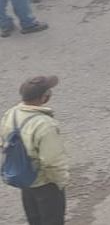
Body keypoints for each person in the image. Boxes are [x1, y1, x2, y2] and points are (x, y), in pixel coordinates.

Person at [1, 76, 67, 224]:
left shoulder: (11, 114)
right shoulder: (45, 125)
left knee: (34, 219)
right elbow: (52, 162)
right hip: (45, 184)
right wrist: (61, 182)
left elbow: (3, 142)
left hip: (26, 180)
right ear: (44, 97)